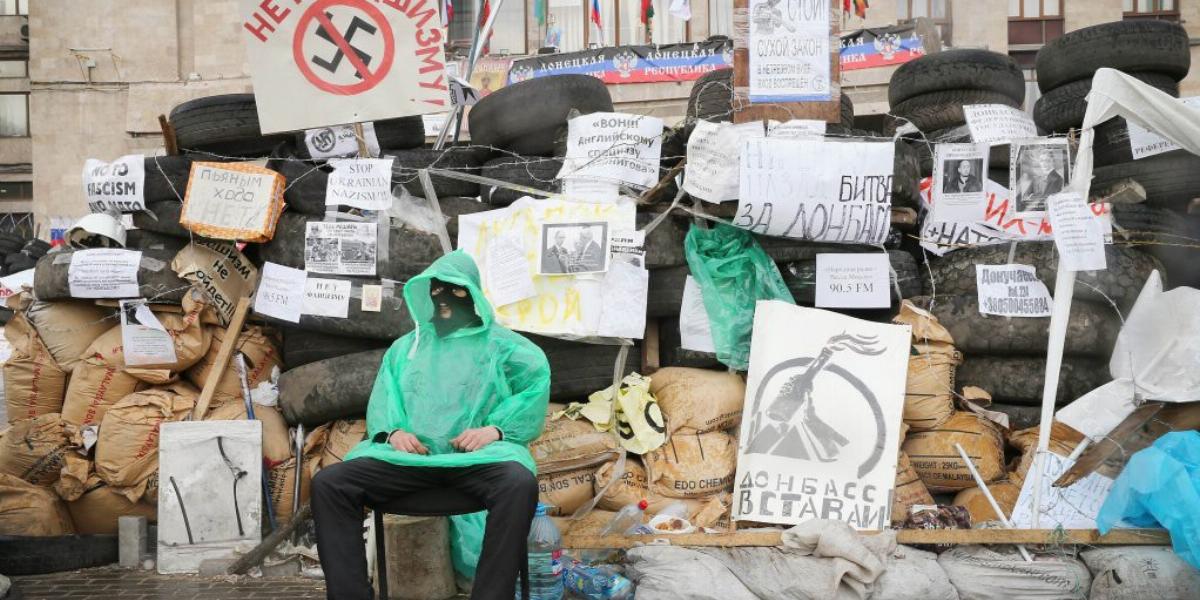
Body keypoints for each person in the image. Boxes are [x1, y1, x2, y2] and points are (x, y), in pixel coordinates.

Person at [311, 250, 551, 600]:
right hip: (410, 463)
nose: (443, 302)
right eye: (435, 292)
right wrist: (394, 432)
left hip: (476, 462)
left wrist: (495, 430)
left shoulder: (504, 346)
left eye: (454, 292)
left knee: (518, 483)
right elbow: (385, 398)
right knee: (330, 484)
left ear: (473, 294)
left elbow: (535, 385)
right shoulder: (407, 348)